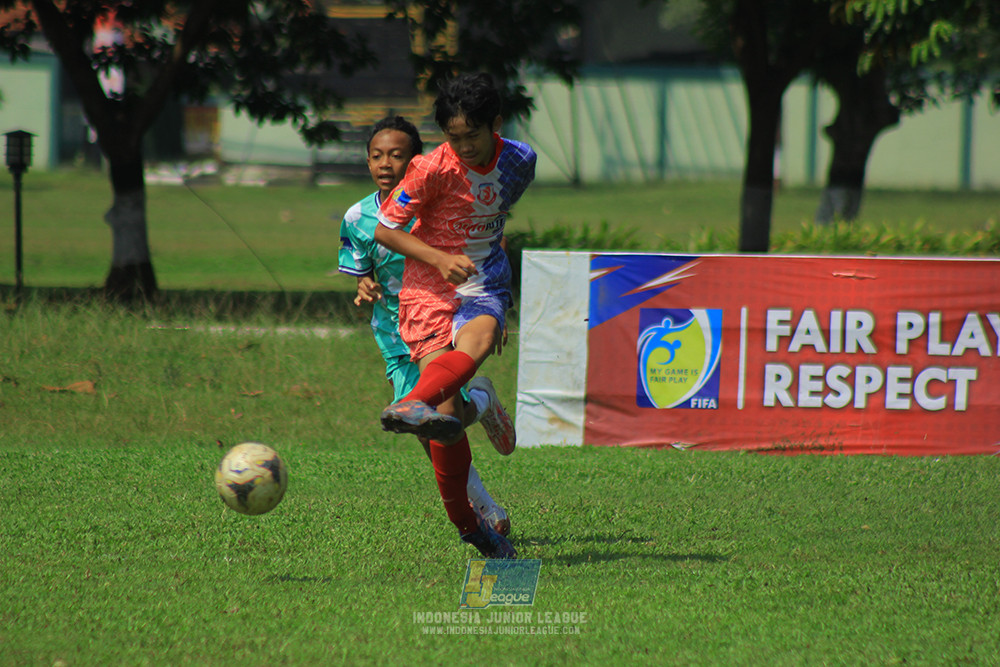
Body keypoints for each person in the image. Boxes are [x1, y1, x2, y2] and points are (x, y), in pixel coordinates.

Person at [374, 73, 536, 559]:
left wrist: (487, 260)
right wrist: (440, 258)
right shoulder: (429, 169)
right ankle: (470, 525)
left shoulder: (520, 161)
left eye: (473, 135)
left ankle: (411, 404)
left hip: (482, 279)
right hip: (427, 288)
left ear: (497, 125)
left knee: (481, 340)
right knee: (443, 419)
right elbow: (386, 231)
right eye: (454, 137)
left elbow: (493, 218)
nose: (463, 146)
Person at [338, 115, 512, 536]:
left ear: (416, 162)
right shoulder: (357, 217)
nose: (385, 164)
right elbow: (362, 271)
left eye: (396, 156)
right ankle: (484, 417)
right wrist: (364, 286)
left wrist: (499, 305)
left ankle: (482, 505)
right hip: (395, 333)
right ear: (366, 162)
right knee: (429, 422)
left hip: (444, 315)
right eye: (376, 156)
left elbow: (489, 242)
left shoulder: (438, 203)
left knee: (438, 415)